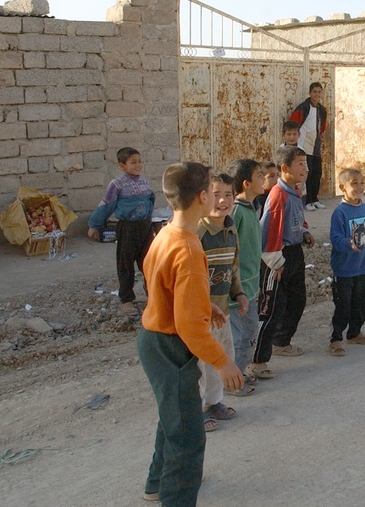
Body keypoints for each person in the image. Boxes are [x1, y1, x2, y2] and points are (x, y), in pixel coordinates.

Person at [138, 162, 244, 505]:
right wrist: (223, 361)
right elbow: (188, 327)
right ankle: (176, 497)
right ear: (202, 196)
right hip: (172, 346)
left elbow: (161, 286)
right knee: (187, 434)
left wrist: (203, 305)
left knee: (173, 416)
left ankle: (156, 483)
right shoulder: (189, 249)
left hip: (153, 340)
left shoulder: (166, 234)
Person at [251, 146, 315, 379]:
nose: (305, 168)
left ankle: (281, 342)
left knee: (297, 300)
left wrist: (305, 233)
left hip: (294, 253)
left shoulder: (295, 192)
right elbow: (268, 233)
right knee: (271, 308)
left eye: (305, 163)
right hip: (277, 257)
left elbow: (296, 219)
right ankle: (257, 360)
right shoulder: (277, 194)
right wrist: (275, 261)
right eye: (300, 163)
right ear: (285, 168)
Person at [196, 173, 245, 430]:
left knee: (222, 355)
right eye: (217, 194)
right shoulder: (199, 231)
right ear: (204, 197)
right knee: (201, 364)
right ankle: (197, 410)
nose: (223, 200)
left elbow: (233, 267)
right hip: (200, 314)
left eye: (228, 194)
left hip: (222, 312)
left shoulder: (230, 228)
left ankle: (214, 402)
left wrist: (239, 292)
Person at [87, 147, 155, 316]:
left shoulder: (144, 182)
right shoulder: (117, 184)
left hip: (145, 227)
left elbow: (151, 200)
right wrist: (94, 224)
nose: (138, 165)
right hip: (128, 228)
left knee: (150, 264)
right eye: (133, 162)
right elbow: (106, 204)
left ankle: (153, 297)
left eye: (139, 161)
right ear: (122, 165)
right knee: (125, 265)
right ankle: (126, 300)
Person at [328, 168, 365, 356]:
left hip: (362, 267)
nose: (360, 187)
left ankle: (354, 333)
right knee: (343, 306)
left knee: (361, 303)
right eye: (354, 183)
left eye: (362, 182)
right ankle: (336, 339)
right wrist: (349, 243)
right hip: (345, 269)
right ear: (342, 187)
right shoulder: (340, 213)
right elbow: (335, 239)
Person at [228, 158, 265, 396]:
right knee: (238, 337)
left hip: (251, 284)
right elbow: (230, 251)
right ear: (246, 183)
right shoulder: (237, 212)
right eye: (259, 176)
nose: (264, 179)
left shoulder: (252, 208)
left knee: (250, 331)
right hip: (237, 290)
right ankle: (231, 381)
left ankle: (239, 372)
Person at [289, 82, 328, 211]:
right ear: (310, 93)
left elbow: (321, 128)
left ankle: (314, 199)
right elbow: (293, 123)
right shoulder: (303, 107)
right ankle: (306, 201)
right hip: (304, 146)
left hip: (315, 146)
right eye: (314, 92)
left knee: (317, 173)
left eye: (319, 92)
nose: (317, 94)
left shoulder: (322, 110)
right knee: (307, 173)